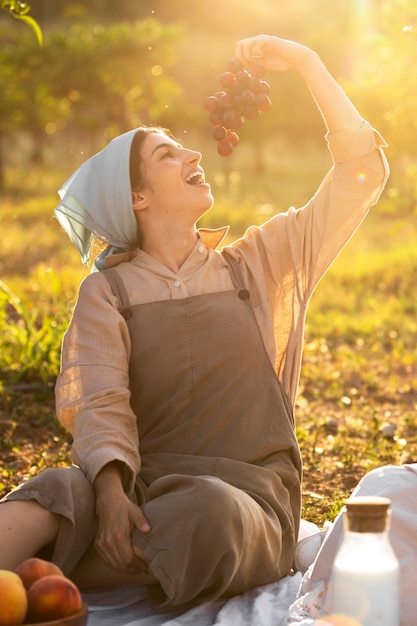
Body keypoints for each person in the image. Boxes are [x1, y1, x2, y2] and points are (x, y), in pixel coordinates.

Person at [0, 34, 388, 611]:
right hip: (143, 482)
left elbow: (362, 170)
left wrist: (307, 64)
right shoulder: (108, 292)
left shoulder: (255, 266)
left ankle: (54, 577)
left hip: (246, 497)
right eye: (168, 155)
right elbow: (99, 401)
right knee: (53, 490)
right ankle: (57, 572)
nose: (194, 156)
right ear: (137, 198)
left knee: (208, 511)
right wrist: (110, 494)